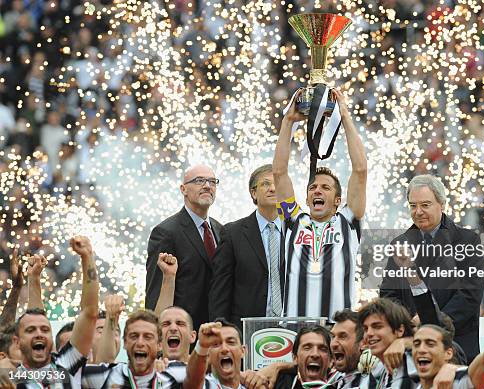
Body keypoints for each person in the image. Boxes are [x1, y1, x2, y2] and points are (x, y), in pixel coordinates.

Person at [273, 88, 367, 318]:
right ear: (306, 198)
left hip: (338, 333)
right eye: (313, 188)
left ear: (337, 200)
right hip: (296, 332)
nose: (317, 190)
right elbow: (279, 172)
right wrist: (287, 122)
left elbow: (361, 170)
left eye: (325, 188)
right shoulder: (293, 219)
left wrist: (344, 117)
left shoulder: (348, 220)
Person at [380, 174, 484, 362]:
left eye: (425, 205)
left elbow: (470, 295)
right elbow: (389, 295)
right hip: (410, 350)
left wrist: (430, 320)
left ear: (442, 204)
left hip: (456, 349)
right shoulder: (399, 243)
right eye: (413, 205)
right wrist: (409, 323)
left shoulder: (468, 241)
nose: (418, 211)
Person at [0, 236, 100, 388]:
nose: (39, 333)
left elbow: (90, 312)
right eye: (30, 330)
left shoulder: (66, 365)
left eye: (45, 330)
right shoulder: (11, 376)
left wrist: (87, 257)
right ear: (17, 341)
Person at [146, 164, 225, 331]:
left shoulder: (221, 230)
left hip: (217, 331)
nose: (207, 186)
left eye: (212, 181)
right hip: (182, 334)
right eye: (199, 181)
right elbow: (156, 290)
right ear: (183, 189)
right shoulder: (166, 232)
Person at [209, 164, 285, 326]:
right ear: (253, 192)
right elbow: (220, 289)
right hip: (246, 328)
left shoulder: (297, 231)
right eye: (265, 184)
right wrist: (220, 327)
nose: (272, 188)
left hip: (291, 327)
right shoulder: (232, 233)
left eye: (277, 183)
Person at [412, 287, 484, 389]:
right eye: (416, 344)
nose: (421, 349)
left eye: (430, 344)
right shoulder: (405, 381)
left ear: (448, 353)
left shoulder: (460, 383)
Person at [81, 309, 186, 388]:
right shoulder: (102, 375)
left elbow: (198, 374)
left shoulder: (174, 373)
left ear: (159, 345)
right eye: (134, 336)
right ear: (125, 342)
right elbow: (65, 374)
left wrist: (202, 348)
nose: (140, 342)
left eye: (147, 337)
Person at [184, 320, 265, 389]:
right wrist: (202, 346)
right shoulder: (204, 385)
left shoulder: (254, 385)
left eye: (231, 342)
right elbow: (192, 383)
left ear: (243, 351)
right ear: (208, 355)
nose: (224, 349)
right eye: (216, 344)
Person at [273, 325, 342, 388]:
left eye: (322, 349)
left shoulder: (341, 384)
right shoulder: (277, 383)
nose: (315, 354)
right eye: (307, 348)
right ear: (295, 357)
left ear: (331, 360)